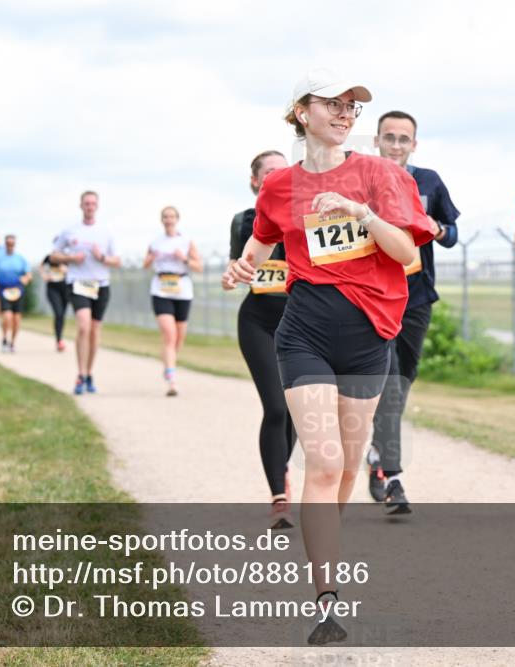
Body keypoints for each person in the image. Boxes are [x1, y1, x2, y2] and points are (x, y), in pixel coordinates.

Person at [222, 68, 433, 645]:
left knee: (342, 466)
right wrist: (242, 264)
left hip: (370, 334)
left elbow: (406, 253)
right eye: (333, 103)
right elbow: (263, 236)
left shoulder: (379, 173)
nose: (345, 114)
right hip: (304, 333)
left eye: (352, 107)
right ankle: (326, 598)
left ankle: (324, 545)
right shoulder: (279, 185)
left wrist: (362, 213)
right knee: (320, 460)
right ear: (300, 111)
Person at [367, 110, 460, 515]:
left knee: (402, 382)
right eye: (390, 138)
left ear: (414, 145)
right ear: (377, 140)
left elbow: (452, 234)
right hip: (372, 294)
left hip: (416, 298)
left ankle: (377, 449)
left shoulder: (429, 181)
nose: (397, 145)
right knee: (387, 386)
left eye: (404, 139)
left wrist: (435, 227)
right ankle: (394, 478)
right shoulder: (362, 179)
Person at [222, 149, 297, 528]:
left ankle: (280, 469)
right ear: (255, 182)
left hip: (300, 325)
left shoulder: (308, 219)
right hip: (258, 322)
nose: (278, 178)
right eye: (270, 173)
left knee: (298, 411)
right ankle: (279, 498)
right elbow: (241, 263)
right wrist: (232, 273)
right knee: (276, 407)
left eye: (285, 172)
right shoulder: (245, 221)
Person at [51, 191, 121, 395]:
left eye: (93, 203)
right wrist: (71, 259)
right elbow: (54, 256)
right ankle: (80, 374)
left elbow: (117, 260)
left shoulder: (106, 232)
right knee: (83, 325)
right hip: (78, 282)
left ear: (97, 206)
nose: (90, 206)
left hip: (100, 284)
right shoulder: (70, 231)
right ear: (81, 206)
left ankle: (89, 373)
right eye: (86, 203)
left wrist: (102, 258)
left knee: (94, 330)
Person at [143, 206, 203, 396]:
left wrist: (183, 258)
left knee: (178, 337)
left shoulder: (186, 241)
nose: (168, 219)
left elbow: (199, 266)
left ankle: (169, 364)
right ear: (161, 220)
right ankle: (172, 380)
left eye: (171, 216)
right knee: (169, 334)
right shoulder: (155, 242)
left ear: (177, 219)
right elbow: (145, 265)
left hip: (182, 289)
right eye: (165, 217)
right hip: (161, 288)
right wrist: (151, 258)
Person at [0, 235, 32, 353]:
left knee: (16, 320)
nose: (10, 246)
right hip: (4, 290)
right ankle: (4, 339)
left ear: (15, 244)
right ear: (5, 244)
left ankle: (12, 343)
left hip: (18, 290)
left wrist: (26, 278)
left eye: (12, 244)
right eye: (8, 244)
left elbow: (28, 274)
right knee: (7, 317)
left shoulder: (20, 259)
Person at [41, 250, 70, 352]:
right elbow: (41, 266)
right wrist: (44, 275)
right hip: (53, 289)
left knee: (62, 315)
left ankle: (60, 339)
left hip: (65, 290)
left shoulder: (67, 258)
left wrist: (67, 270)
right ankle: (59, 341)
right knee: (58, 313)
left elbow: (76, 271)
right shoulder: (49, 258)